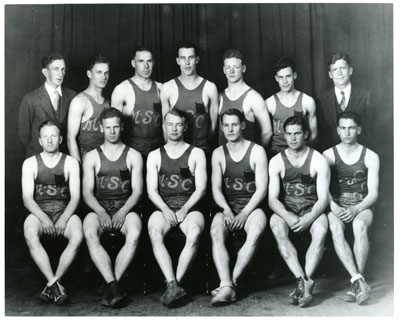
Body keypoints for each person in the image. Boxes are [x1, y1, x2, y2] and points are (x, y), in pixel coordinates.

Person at [82, 108, 143, 308]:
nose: (112, 131)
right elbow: (87, 193)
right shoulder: (92, 156)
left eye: (116, 126)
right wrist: (100, 212)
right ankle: (114, 285)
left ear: (122, 127)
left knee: (134, 233)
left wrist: (122, 212)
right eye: (108, 127)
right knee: (90, 233)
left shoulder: (133, 155)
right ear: (102, 128)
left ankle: (111, 284)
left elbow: (137, 192)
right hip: (100, 208)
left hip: (124, 208)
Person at [146, 109, 207, 307]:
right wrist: (165, 210)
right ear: (164, 127)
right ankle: (173, 284)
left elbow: (201, 189)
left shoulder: (196, 153)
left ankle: (174, 285)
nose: (174, 128)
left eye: (178, 124)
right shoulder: (155, 155)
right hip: (164, 207)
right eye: (170, 124)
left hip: (189, 208)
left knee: (195, 233)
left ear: (185, 127)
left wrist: (184, 209)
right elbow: (151, 191)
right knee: (154, 231)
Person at [268, 116, 330, 307]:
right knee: (277, 226)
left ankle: (306, 280)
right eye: (289, 134)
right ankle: (302, 280)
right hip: (288, 211)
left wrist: (309, 218)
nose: (293, 138)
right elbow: (272, 199)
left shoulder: (318, 160)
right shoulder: (276, 161)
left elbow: (324, 198)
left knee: (320, 231)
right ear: (284, 135)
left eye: (297, 134)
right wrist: (287, 215)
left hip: (312, 210)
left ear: (305, 135)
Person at [210, 108, 268, 306]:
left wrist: (245, 213)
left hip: (251, 207)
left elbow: (261, 188)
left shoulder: (257, 151)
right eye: (226, 125)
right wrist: (226, 209)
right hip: (229, 206)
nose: (230, 129)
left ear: (242, 125)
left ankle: (229, 284)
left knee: (256, 230)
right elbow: (216, 188)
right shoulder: (218, 153)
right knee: (216, 231)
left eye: (234, 124)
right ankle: (227, 283)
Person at [22, 120, 82, 305]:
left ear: (60, 139)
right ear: (40, 141)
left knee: (78, 236)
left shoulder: (70, 162)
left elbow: (75, 197)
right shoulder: (30, 163)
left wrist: (64, 218)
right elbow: (27, 199)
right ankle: (56, 285)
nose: (49, 140)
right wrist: (44, 219)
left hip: (65, 211)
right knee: (30, 234)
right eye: (45, 137)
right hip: (40, 212)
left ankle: (51, 285)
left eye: (53, 136)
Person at [323, 111, 379, 305]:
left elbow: (373, 193)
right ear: (338, 130)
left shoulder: (370, 156)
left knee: (359, 227)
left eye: (351, 128)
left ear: (359, 129)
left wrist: (356, 209)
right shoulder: (328, 155)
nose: (347, 132)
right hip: (337, 205)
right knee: (335, 228)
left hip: (361, 205)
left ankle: (357, 280)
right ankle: (359, 282)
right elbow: (322, 189)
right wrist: (332, 205)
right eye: (343, 128)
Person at [160, 41, 219, 153]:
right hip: (177, 147)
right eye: (183, 58)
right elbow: (165, 125)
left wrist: (203, 145)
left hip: (202, 147)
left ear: (197, 60)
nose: (187, 63)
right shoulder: (168, 87)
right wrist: (172, 149)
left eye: (190, 58)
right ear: (178, 61)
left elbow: (213, 126)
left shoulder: (210, 87)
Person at [19, 53, 76, 158]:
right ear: (45, 72)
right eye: (56, 69)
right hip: (37, 157)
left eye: (63, 69)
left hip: (64, 158)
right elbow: (24, 135)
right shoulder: (31, 99)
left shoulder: (72, 96)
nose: (60, 74)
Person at [111, 45, 163, 159]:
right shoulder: (122, 89)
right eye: (141, 61)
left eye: (149, 61)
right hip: (132, 149)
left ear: (153, 63)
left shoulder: (161, 88)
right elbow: (113, 126)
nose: (146, 66)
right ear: (133, 63)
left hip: (158, 148)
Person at [316, 52, 375, 151]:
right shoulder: (320, 100)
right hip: (331, 158)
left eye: (342, 68)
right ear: (330, 74)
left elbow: (371, 132)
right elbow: (320, 136)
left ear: (350, 70)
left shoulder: (366, 97)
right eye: (335, 69)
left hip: (359, 157)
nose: (339, 73)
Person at [218, 49, 272, 148]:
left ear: (243, 68)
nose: (232, 71)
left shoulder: (254, 97)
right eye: (228, 67)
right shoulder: (219, 97)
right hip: (224, 158)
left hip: (247, 159)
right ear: (224, 70)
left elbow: (267, 133)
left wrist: (254, 154)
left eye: (236, 67)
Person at [265, 57, 317, 157]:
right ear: (276, 78)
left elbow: (313, 135)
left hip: (301, 152)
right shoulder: (269, 102)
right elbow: (265, 134)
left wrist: (302, 153)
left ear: (295, 75)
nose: (285, 81)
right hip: (277, 153)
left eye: (288, 76)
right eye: (281, 77)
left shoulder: (307, 101)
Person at [67, 54, 110, 163]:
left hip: (107, 156)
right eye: (99, 72)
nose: (103, 77)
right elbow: (70, 139)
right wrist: (79, 169)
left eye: (106, 73)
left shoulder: (109, 102)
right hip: (87, 157)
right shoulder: (79, 101)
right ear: (89, 74)